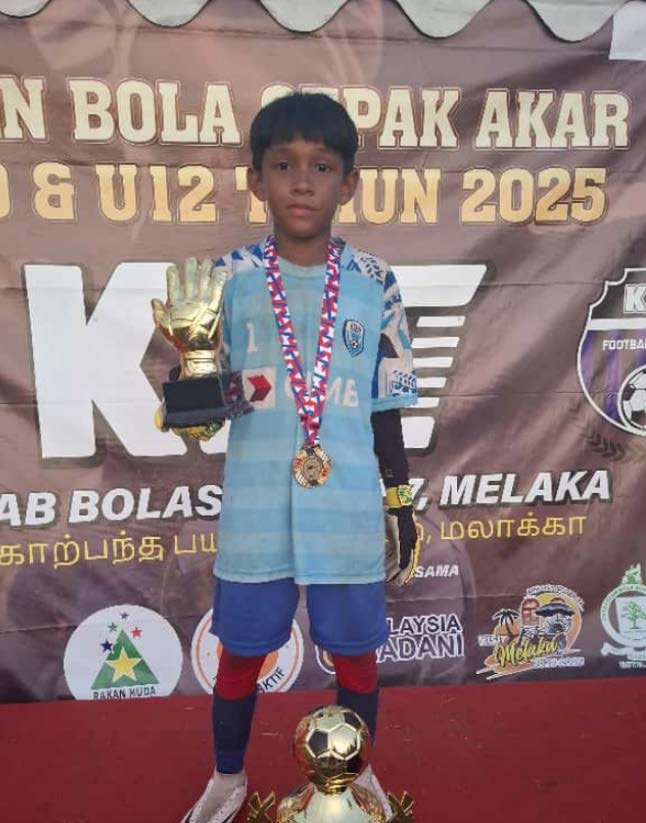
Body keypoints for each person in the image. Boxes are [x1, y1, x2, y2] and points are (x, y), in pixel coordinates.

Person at [156, 92, 420, 823]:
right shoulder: (226, 279)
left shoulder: (375, 282)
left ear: (349, 183)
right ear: (256, 179)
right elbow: (201, 423)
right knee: (241, 650)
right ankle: (227, 777)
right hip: (256, 507)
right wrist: (194, 370)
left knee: (356, 650)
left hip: (348, 505)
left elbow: (386, 404)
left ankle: (358, 772)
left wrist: (400, 501)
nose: (302, 182)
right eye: (284, 165)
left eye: (322, 166)